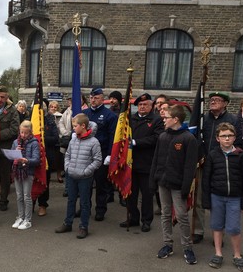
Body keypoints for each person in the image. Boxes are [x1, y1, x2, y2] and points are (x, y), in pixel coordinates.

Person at [150, 105, 198, 264]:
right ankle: (167, 244)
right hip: (163, 182)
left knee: (182, 215)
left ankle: (187, 247)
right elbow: (156, 160)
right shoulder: (163, 137)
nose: (163, 119)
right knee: (165, 213)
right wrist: (153, 179)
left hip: (178, 185)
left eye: (166, 117)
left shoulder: (188, 138)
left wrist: (185, 187)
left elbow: (190, 166)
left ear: (176, 119)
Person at [193, 91, 241, 244]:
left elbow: (238, 143)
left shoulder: (233, 120)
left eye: (217, 100)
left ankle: (218, 234)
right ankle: (198, 231)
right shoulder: (203, 119)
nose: (213, 102)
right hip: (202, 164)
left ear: (225, 103)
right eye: (211, 99)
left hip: (221, 165)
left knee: (219, 201)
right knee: (199, 199)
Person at [202, 122, 243, 272]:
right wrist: (206, 200)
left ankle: (237, 255)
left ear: (235, 137)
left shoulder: (241, 155)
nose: (227, 138)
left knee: (234, 227)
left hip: (234, 198)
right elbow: (206, 178)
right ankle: (218, 253)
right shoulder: (212, 155)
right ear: (218, 138)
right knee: (217, 226)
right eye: (223, 136)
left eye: (230, 135)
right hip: (216, 196)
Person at [55, 113, 102, 239]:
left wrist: (86, 171)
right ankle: (68, 223)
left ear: (83, 126)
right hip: (71, 175)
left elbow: (97, 160)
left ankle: (83, 227)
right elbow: (68, 154)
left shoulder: (94, 142)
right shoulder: (74, 139)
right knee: (71, 200)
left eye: (75, 126)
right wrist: (67, 168)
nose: (73, 128)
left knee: (85, 203)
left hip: (85, 178)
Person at [124, 93, 163, 231]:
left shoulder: (157, 120)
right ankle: (133, 217)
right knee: (131, 194)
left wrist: (136, 142)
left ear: (151, 106)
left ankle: (146, 220)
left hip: (147, 163)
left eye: (145, 104)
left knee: (147, 195)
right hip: (131, 163)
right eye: (140, 105)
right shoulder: (131, 119)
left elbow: (157, 138)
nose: (142, 107)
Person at [83, 87, 118, 221]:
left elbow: (112, 136)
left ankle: (100, 209)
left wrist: (109, 154)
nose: (93, 100)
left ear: (103, 99)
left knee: (100, 182)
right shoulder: (85, 113)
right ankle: (85, 207)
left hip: (101, 152)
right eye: (91, 97)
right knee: (85, 182)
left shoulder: (110, 115)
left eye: (96, 98)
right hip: (86, 152)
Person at [0, 86, 19, 211]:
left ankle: (3, 200)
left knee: (4, 176)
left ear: (7, 98)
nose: (0, 99)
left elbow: (14, 129)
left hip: (5, 147)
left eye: (3, 97)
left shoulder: (12, 110)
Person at [10, 120, 40, 230]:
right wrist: (15, 152)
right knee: (19, 195)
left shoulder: (34, 142)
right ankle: (20, 217)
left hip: (28, 172)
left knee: (27, 196)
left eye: (26, 133)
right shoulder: (15, 142)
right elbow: (11, 156)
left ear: (30, 132)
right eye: (21, 132)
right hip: (17, 171)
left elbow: (36, 160)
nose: (23, 135)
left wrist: (26, 160)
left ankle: (28, 219)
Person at [36, 100, 59, 216]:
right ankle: (31, 203)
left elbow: (55, 138)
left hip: (46, 155)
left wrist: (42, 138)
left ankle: (42, 204)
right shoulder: (31, 120)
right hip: (32, 155)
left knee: (44, 180)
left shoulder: (50, 121)